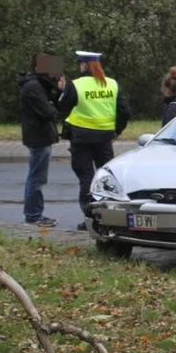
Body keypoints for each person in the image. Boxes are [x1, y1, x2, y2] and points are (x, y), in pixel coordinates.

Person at [59, 51, 131, 230]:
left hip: (81, 138)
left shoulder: (76, 84)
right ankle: (108, 218)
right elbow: (124, 111)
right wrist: (117, 131)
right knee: (105, 178)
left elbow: (62, 108)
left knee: (86, 178)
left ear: (83, 65)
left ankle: (89, 219)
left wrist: (61, 92)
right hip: (105, 138)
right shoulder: (112, 84)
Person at [19, 53, 63, 227]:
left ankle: (35, 214)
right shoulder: (33, 87)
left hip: (40, 135)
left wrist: (58, 91)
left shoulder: (39, 85)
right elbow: (46, 113)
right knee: (37, 178)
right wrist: (52, 108)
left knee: (37, 177)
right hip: (38, 137)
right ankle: (33, 216)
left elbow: (53, 105)